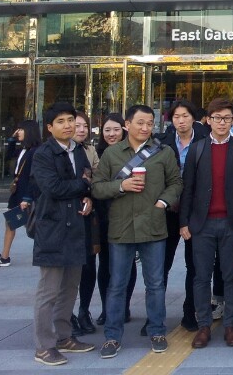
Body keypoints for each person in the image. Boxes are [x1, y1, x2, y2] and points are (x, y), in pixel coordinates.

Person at [92, 105, 183, 359]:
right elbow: (97, 188)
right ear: (127, 124)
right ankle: (112, 336)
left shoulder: (163, 152)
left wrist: (162, 202)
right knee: (117, 285)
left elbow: (176, 182)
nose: (145, 128)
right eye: (140, 123)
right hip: (121, 227)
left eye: (150, 123)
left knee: (155, 284)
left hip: (153, 226)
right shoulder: (111, 154)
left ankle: (157, 331)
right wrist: (121, 185)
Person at [30, 101, 95, 366]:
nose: (68, 125)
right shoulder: (43, 154)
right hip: (53, 229)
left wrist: (88, 197)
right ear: (49, 127)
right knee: (49, 291)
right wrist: (82, 185)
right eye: (61, 121)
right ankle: (44, 345)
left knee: (70, 288)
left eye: (70, 120)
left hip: (76, 227)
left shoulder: (78, 150)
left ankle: (64, 336)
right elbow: (53, 188)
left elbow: (88, 182)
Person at [180, 98, 233, 349]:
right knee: (201, 277)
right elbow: (187, 189)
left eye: (227, 118)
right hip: (202, 224)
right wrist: (184, 222)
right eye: (217, 118)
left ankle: (230, 326)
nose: (222, 123)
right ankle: (204, 326)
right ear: (208, 120)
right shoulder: (197, 149)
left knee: (231, 277)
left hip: (231, 223)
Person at [158, 99, 207, 332]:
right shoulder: (162, 142)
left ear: (193, 117)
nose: (181, 121)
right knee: (161, 265)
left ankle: (190, 313)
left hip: (195, 212)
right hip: (169, 211)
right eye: (176, 117)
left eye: (185, 116)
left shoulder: (205, 139)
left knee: (194, 265)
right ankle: (156, 316)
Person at [93, 114, 137, 326]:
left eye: (116, 129)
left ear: (124, 130)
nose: (111, 134)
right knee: (105, 264)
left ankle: (124, 306)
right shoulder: (96, 154)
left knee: (128, 263)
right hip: (103, 215)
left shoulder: (135, 154)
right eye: (107, 130)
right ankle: (107, 308)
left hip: (128, 215)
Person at [0, 119, 41, 268]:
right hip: (18, 192)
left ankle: (6, 256)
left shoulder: (35, 151)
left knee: (33, 224)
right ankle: (4, 256)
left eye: (21, 129)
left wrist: (27, 197)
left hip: (26, 194)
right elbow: (9, 155)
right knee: (11, 223)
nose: (18, 132)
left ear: (29, 131)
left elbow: (33, 176)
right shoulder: (24, 149)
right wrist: (11, 138)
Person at [70, 112, 101, 337]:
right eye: (77, 125)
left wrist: (90, 196)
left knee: (89, 266)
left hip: (87, 216)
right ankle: (67, 314)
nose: (81, 130)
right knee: (68, 269)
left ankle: (84, 311)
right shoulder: (56, 151)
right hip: (65, 218)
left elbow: (98, 178)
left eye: (85, 126)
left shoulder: (90, 150)